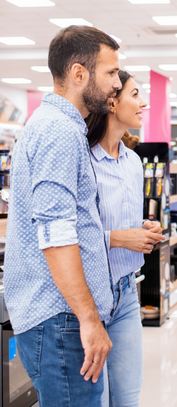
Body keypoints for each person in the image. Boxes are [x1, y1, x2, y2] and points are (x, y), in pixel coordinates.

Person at [4, 25, 121, 406]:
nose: (117, 83)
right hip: (62, 321)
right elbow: (56, 234)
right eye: (110, 73)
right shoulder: (59, 131)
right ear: (78, 74)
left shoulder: (56, 125)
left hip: (59, 319)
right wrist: (89, 319)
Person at [85, 69, 165, 406]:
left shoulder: (133, 161)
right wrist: (119, 239)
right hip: (90, 296)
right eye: (134, 94)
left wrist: (146, 229)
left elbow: (128, 220)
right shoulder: (84, 159)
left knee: (128, 398)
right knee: (97, 399)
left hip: (126, 291)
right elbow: (73, 234)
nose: (144, 103)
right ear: (112, 100)